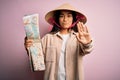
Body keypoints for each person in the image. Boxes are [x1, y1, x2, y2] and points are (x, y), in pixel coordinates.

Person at [24, 3, 93, 80]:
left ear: (74, 19)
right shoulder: (47, 38)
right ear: (57, 19)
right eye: (61, 16)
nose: (65, 19)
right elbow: (37, 60)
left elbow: (87, 49)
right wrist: (30, 48)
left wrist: (87, 43)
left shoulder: (78, 37)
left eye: (69, 16)